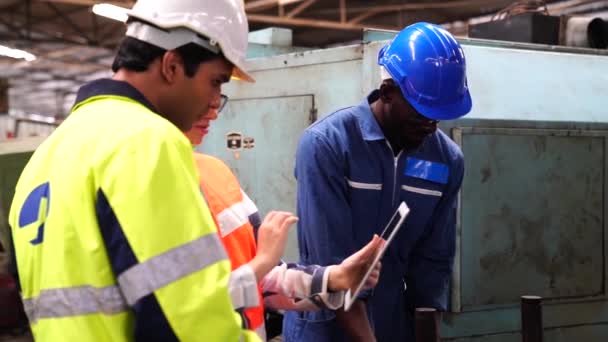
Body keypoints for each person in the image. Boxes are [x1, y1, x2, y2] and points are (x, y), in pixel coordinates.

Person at [8, 1, 271, 341]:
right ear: (172, 65)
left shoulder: (46, 156)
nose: (214, 101)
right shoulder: (147, 141)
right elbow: (189, 323)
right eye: (215, 81)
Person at [282, 22, 473, 342]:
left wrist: (428, 333)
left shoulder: (446, 160)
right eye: (420, 113)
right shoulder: (328, 145)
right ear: (387, 92)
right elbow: (333, 267)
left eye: (437, 116)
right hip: (326, 326)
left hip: (392, 323)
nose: (430, 126)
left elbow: (433, 262)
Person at [184, 94, 383, 341]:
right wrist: (263, 262)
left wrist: (334, 278)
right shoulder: (147, 189)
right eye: (211, 84)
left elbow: (265, 284)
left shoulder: (216, 173)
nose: (214, 110)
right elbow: (186, 309)